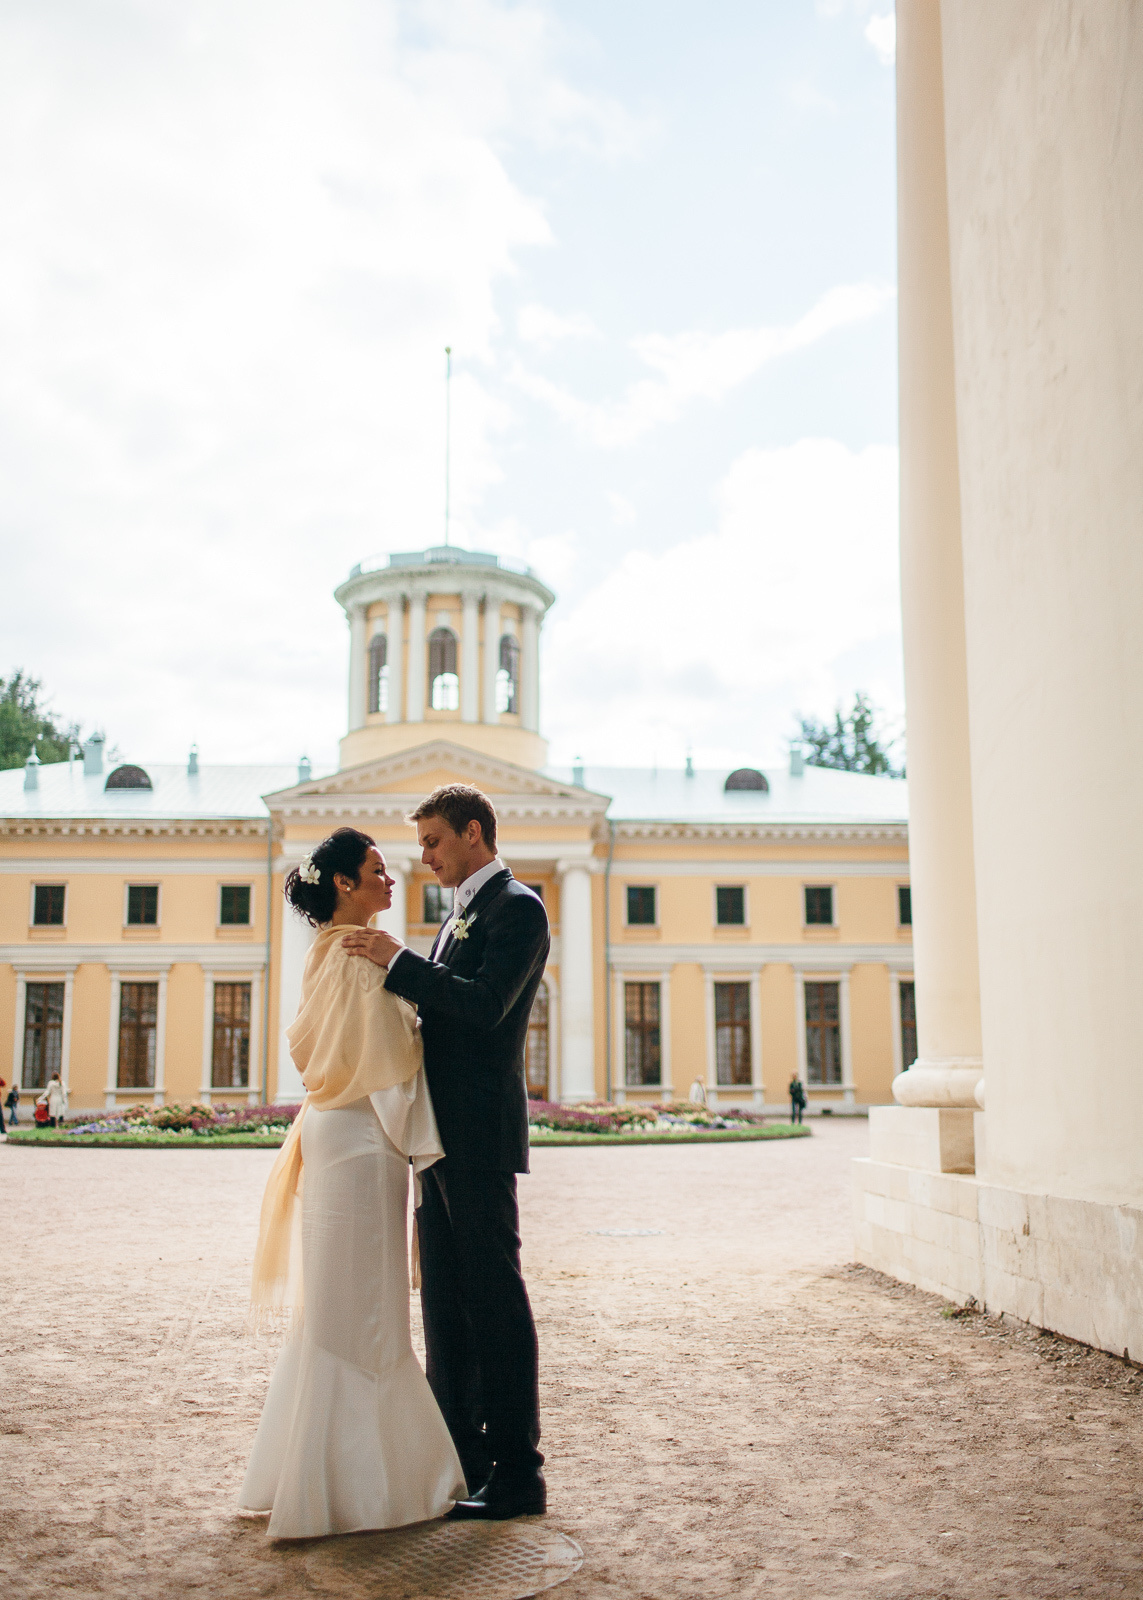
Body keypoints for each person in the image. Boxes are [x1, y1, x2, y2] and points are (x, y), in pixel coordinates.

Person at [239, 827, 465, 1540]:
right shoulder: (365, 954)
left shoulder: (323, 950)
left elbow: (322, 1048)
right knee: (369, 1314)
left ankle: (314, 1477)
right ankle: (370, 1490)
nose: (390, 878)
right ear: (342, 883)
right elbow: (390, 1064)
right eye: (376, 870)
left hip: (329, 1128)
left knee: (333, 1311)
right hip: (366, 1134)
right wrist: (428, 1142)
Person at [342, 784, 549, 1522]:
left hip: (478, 1133)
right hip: (437, 1132)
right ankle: (463, 1458)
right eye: (422, 845)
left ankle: (520, 1473)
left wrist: (397, 963)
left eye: (433, 842)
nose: (424, 857)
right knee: (447, 1305)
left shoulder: (517, 907)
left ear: (472, 832)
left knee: (493, 1298)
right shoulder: (460, 913)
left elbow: (483, 1004)